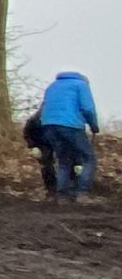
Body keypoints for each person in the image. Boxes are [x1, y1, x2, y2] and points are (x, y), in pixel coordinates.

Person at [37, 70, 100, 201]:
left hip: (49, 125)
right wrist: (93, 125)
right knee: (88, 158)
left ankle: (62, 195)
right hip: (70, 125)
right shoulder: (81, 85)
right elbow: (88, 108)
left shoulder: (52, 86)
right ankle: (82, 193)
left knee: (63, 160)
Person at [22, 111, 57, 197]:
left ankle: (69, 184)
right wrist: (33, 146)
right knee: (46, 165)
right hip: (41, 144)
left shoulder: (56, 117)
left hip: (56, 141)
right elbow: (27, 134)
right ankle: (51, 187)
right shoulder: (33, 120)